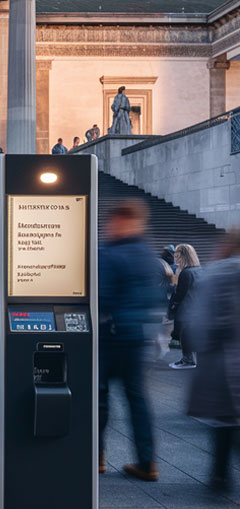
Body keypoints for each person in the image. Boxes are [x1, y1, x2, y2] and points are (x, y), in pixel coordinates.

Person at [98, 199, 161, 481]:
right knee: (137, 398)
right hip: (137, 337)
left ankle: (96, 456)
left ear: (120, 221)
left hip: (109, 336)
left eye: (111, 223)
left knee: (99, 397)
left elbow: (101, 296)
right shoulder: (147, 254)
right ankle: (147, 462)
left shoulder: (111, 254)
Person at [186, 231, 240, 492]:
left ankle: (220, 475)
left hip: (224, 360)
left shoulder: (216, 274)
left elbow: (201, 322)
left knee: (225, 419)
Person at [168, 243, 201, 369]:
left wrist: (173, 306)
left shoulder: (185, 273)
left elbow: (179, 294)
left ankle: (187, 360)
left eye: (177, 255)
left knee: (185, 335)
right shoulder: (199, 270)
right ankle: (193, 360)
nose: (175, 258)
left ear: (184, 256)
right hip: (197, 308)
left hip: (186, 309)